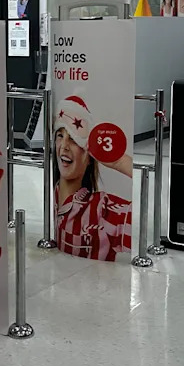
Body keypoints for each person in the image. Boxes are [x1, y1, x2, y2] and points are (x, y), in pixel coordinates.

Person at [53, 95, 133, 262]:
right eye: (60, 136)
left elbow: (146, 223)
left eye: (74, 140)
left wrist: (119, 162)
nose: (64, 147)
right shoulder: (47, 200)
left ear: (89, 156)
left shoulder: (102, 210)